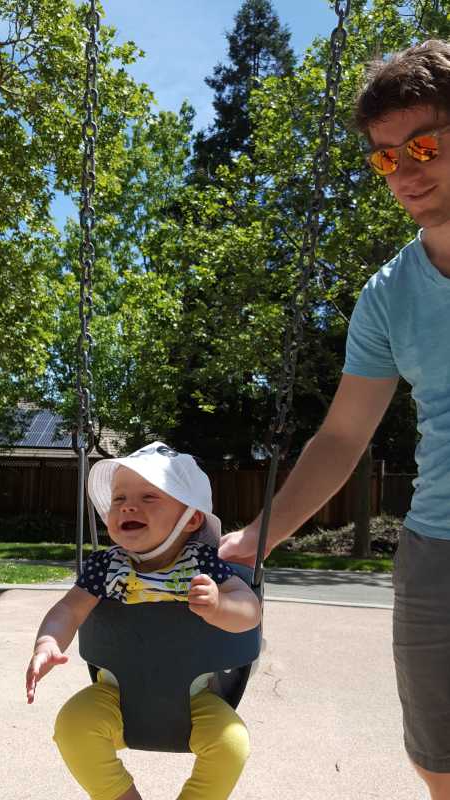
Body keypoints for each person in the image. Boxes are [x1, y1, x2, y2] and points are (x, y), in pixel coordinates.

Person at [219, 38, 450, 800]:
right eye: (385, 158)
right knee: (437, 763)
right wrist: (258, 538)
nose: (404, 172)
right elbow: (344, 436)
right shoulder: (387, 296)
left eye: (422, 145)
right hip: (435, 549)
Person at [26, 442, 260, 800]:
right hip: (116, 692)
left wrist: (219, 606)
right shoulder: (106, 565)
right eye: (118, 499)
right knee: (72, 725)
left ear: (191, 518)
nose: (128, 506)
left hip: (195, 697)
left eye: (149, 496)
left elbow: (250, 609)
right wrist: (48, 642)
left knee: (232, 743)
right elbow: (69, 609)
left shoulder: (203, 563)